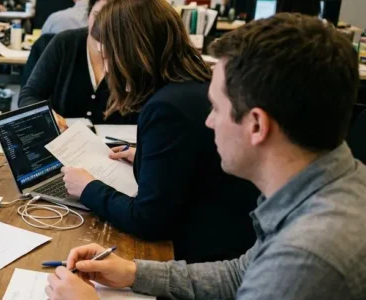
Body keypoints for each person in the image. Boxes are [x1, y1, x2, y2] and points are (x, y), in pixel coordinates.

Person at [47, 13, 366, 300]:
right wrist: (134, 273)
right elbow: (241, 274)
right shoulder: (331, 185)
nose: (209, 121)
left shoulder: (305, 257)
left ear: (256, 125)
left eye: (216, 108)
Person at [60, 0, 259, 263]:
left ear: (130, 53)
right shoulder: (195, 83)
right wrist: (145, 156)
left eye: (108, 57)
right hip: (234, 237)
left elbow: (148, 221)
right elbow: (193, 162)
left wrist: (87, 188)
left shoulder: (167, 108)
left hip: (204, 254)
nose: (107, 70)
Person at [20, 0, 139, 130]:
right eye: (97, 15)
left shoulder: (136, 51)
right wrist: (44, 115)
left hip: (120, 145)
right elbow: (29, 95)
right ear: (88, 15)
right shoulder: (65, 43)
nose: (103, 24)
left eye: (112, 18)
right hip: (65, 142)